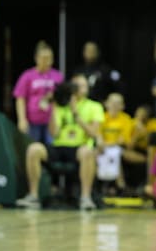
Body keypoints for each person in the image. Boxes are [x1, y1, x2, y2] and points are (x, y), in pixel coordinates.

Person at [16, 75, 104, 210]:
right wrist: (53, 107)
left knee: (87, 152)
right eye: (75, 86)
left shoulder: (94, 106)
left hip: (79, 147)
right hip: (59, 146)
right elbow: (53, 133)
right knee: (34, 149)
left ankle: (86, 198)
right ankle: (33, 196)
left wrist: (76, 114)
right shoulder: (61, 106)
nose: (78, 89)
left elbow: (93, 133)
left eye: (82, 86)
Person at [13, 41, 64, 144]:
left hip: (51, 122)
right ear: (37, 58)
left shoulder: (58, 76)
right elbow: (20, 99)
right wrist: (22, 119)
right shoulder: (27, 76)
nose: (47, 61)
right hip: (32, 122)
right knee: (31, 149)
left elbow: (62, 99)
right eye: (44, 58)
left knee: (51, 150)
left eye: (50, 58)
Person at [98, 93, 133, 192]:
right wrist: (102, 145)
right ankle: (99, 185)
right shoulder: (101, 117)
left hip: (120, 148)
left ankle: (120, 186)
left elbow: (122, 141)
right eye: (112, 102)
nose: (114, 105)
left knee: (114, 152)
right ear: (106, 104)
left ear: (123, 106)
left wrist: (105, 144)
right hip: (103, 148)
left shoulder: (126, 119)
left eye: (118, 103)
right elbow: (98, 136)